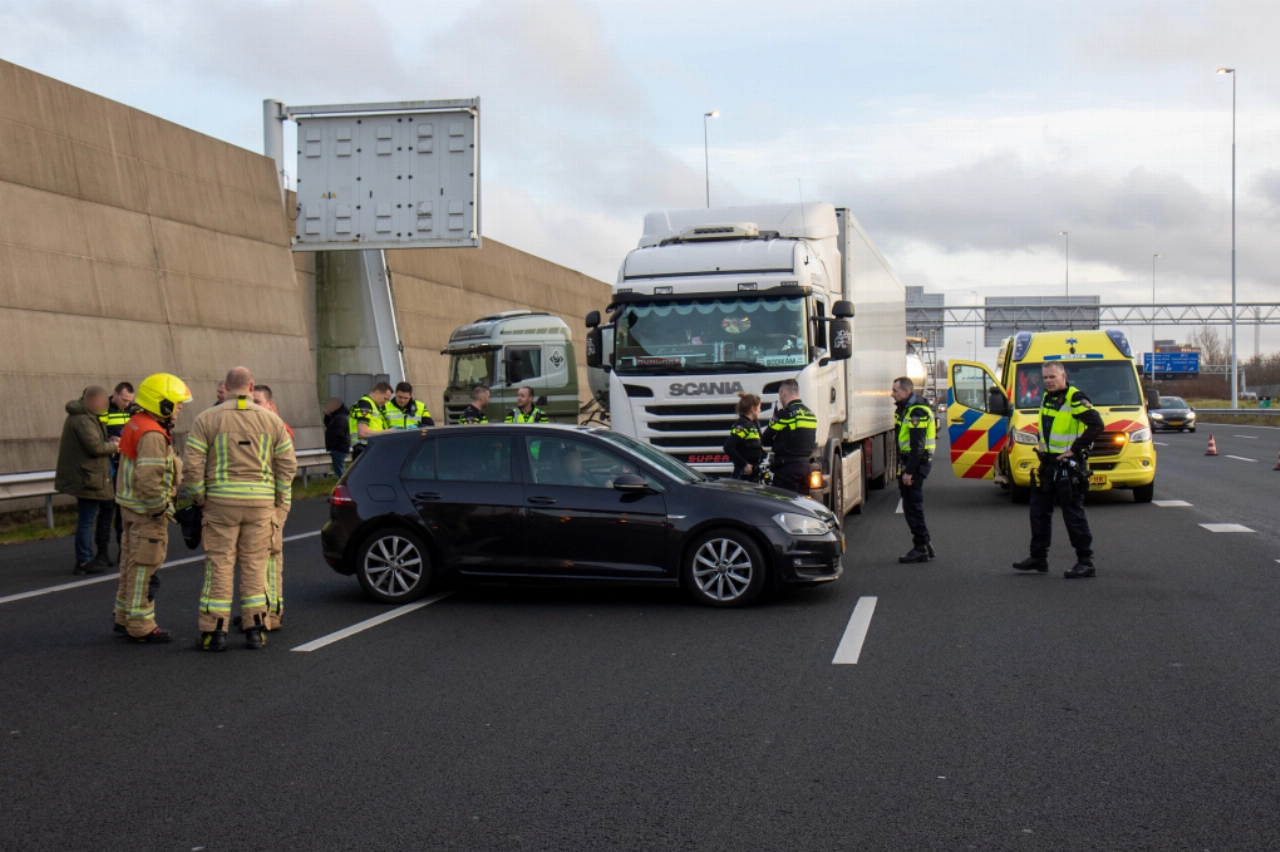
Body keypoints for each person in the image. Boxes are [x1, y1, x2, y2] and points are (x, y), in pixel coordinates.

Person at [184, 367, 296, 651]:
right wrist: (278, 500)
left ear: (226, 386)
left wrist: (199, 498)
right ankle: (255, 629)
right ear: (250, 385)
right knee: (255, 566)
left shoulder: (207, 418)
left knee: (219, 565)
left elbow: (192, 465)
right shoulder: (271, 420)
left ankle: (214, 632)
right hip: (261, 506)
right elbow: (287, 466)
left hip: (220, 505)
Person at [113, 373, 190, 642]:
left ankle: (123, 616)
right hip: (147, 512)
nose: (180, 408)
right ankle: (141, 624)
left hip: (129, 507)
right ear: (162, 404)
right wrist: (160, 509)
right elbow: (148, 479)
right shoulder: (153, 434)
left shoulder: (137, 422)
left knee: (130, 563)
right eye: (177, 403)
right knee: (145, 567)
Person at [1013, 361, 1105, 579]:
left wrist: (1076, 449)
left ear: (1063, 375)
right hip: (1049, 464)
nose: (1048, 381)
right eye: (1045, 378)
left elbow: (1097, 425)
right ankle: (1038, 558)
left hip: (1069, 467)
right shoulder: (1047, 397)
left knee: (1073, 514)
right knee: (1038, 512)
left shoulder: (1075, 398)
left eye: (1052, 377)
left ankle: (1085, 561)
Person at [54, 386, 119, 575]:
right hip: (87, 477)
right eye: (103, 403)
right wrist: (114, 446)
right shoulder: (83, 420)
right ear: (91, 401)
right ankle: (84, 560)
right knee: (87, 518)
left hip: (89, 475)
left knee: (91, 516)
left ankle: (90, 557)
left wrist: (109, 442)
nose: (105, 408)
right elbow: (96, 447)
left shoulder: (86, 417)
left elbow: (96, 443)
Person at [252, 385, 292, 633]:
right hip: (259, 501)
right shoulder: (257, 427)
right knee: (257, 559)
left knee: (269, 556)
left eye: (258, 401)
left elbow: (285, 469)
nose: (253, 406)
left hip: (273, 501)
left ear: (271, 405)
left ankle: (272, 612)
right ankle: (259, 610)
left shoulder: (278, 429)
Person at [891, 377, 937, 564]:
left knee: (913, 506)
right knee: (911, 505)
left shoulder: (917, 411)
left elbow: (917, 446)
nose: (892, 394)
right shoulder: (906, 409)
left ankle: (920, 548)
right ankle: (925, 544)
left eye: (896, 391)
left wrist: (909, 472)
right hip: (910, 462)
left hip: (915, 464)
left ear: (907, 391)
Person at [96, 381, 138, 567]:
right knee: (107, 510)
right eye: (123, 399)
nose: (126, 404)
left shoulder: (131, 412)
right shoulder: (104, 410)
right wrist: (110, 439)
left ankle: (123, 550)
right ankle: (102, 552)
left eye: (129, 400)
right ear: (114, 394)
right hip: (109, 465)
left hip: (125, 465)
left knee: (123, 511)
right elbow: (95, 435)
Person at [762, 378, 817, 495]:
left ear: (784, 393)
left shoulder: (784, 415)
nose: (780, 399)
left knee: (786, 505)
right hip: (806, 467)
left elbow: (765, 439)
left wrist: (777, 438)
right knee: (803, 506)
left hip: (787, 469)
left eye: (780, 395)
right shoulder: (811, 414)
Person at [724, 392, 764, 482]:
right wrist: (744, 464)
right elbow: (728, 447)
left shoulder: (752, 424)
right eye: (759, 408)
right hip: (743, 475)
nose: (760, 410)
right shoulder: (743, 425)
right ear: (753, 409)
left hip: (753, 474)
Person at [348, 382, 393, 460]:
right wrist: (387, 432)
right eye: (385, 398)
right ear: (377, 393)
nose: (386, 402)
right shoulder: (365, 405)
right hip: (364, 449)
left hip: (369, 449)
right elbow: (362, 433)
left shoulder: (374, 406)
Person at [323, 397, 350, 479]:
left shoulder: (340, 417)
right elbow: (329, 426)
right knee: (338, 468)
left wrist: (334, 443)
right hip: (337, 447)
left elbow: (339, 433)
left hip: (339, 448)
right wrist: (327, 416)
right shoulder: (335, 417)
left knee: (339, 469)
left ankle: (343, 484)